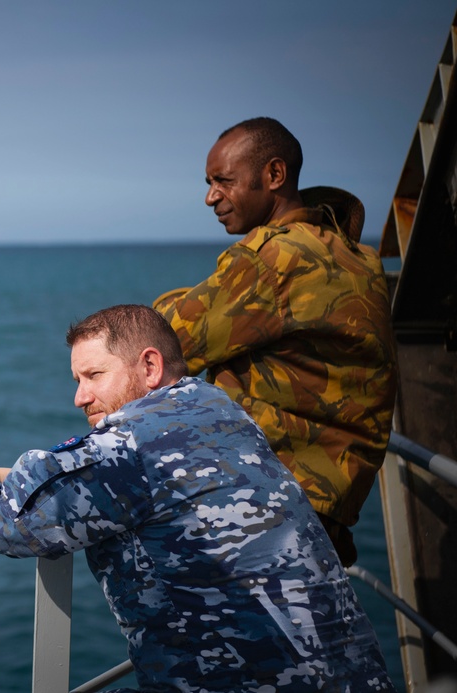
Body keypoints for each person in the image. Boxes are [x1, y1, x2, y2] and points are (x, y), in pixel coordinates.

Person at [0, 304, 394, 692]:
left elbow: (4, 521)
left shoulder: (130, 448)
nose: (79, 397)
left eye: (94, 376)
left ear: (150, 366)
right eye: (77, 381)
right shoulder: (221, 409)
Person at [153, 117, 398, 566]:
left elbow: (166, 343)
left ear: (274, 175)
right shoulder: (354, 254)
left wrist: (192, 296)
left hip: (272, 503)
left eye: (223, 181)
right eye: (209, 183)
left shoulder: (276, 258)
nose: (210, 197)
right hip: (328, 503)